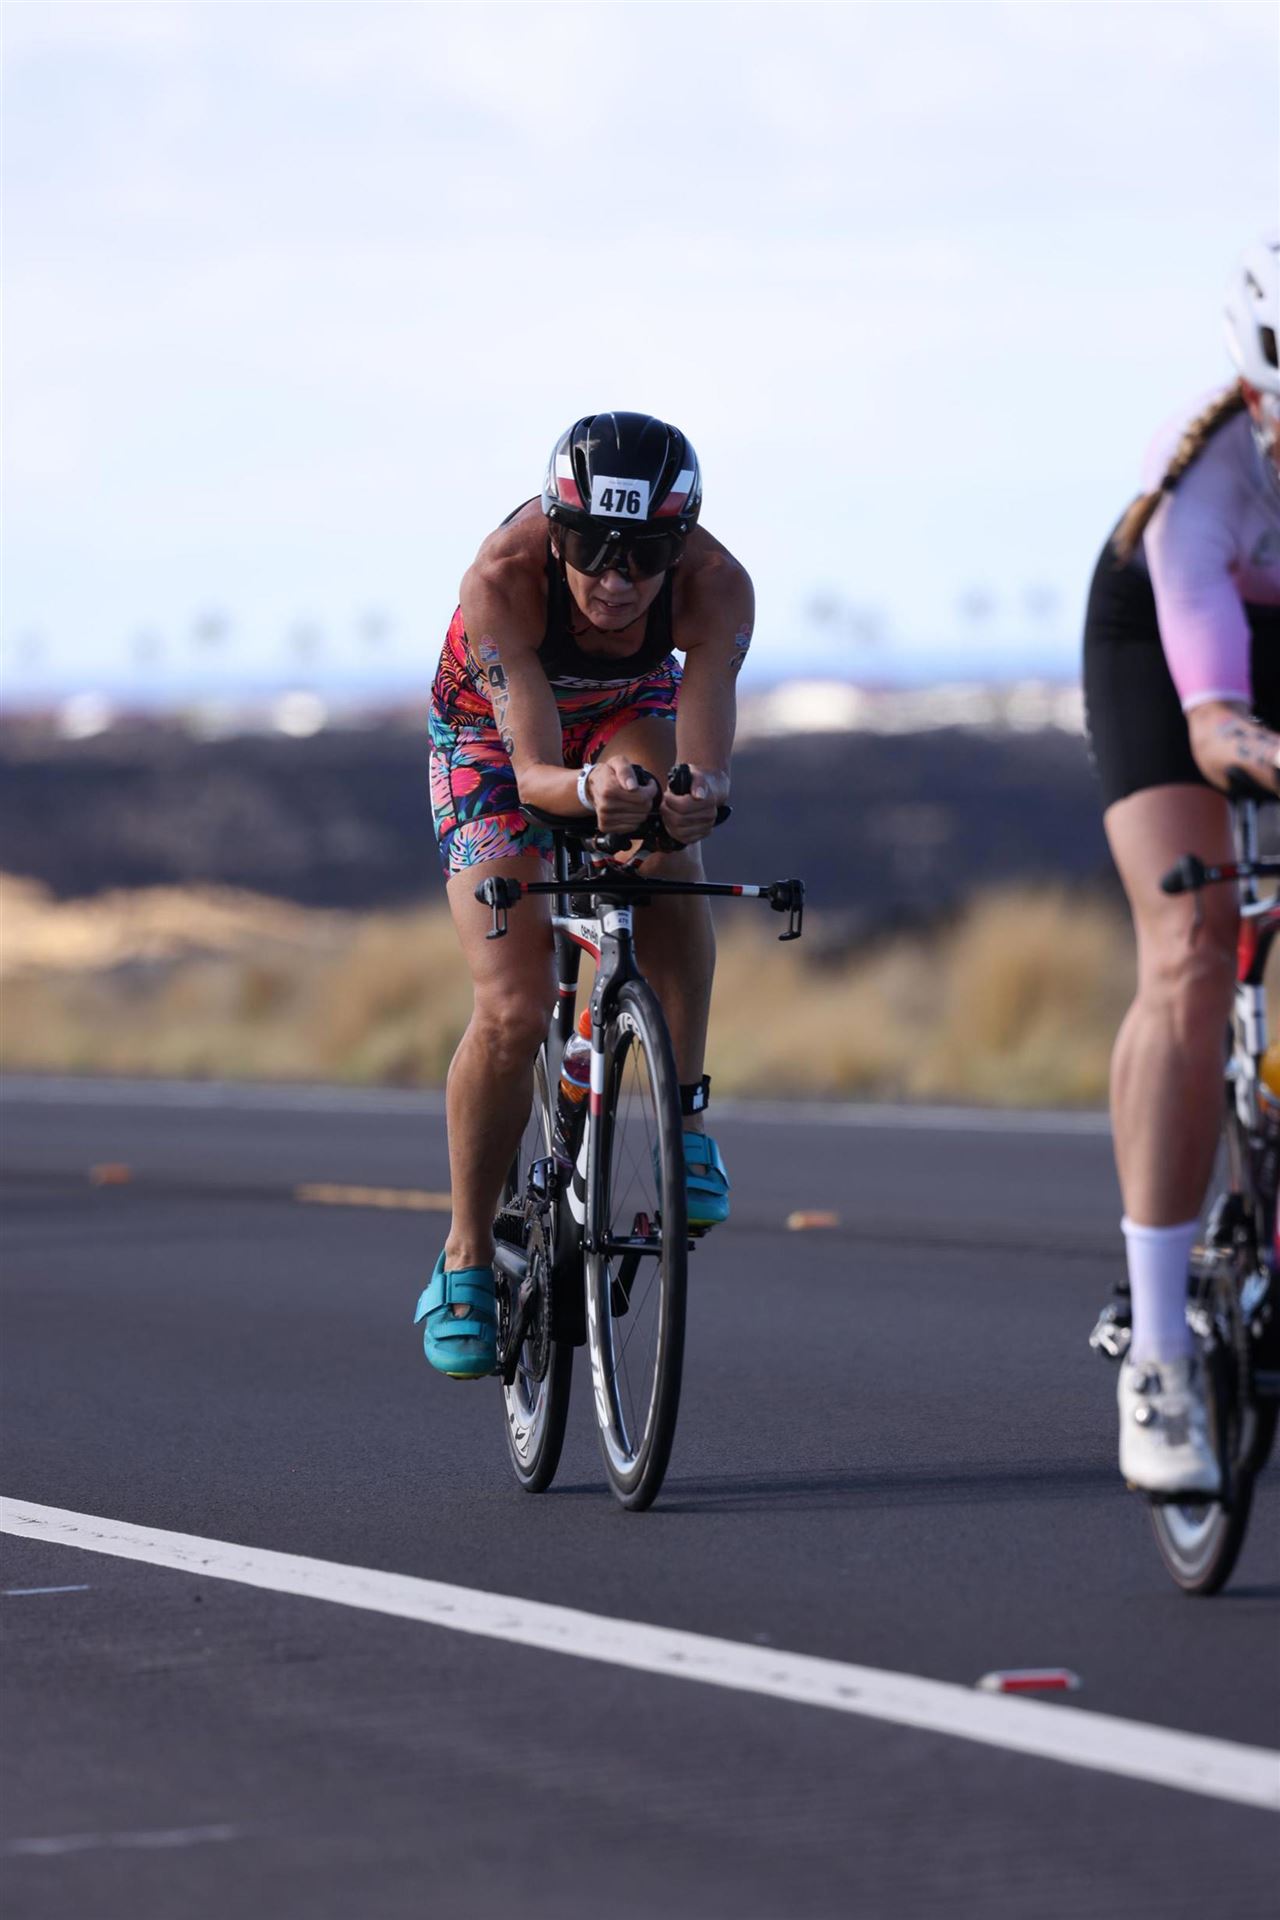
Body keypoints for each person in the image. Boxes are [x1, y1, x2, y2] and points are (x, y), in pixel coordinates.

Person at [417, 412, 754, 1378]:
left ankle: (685, 1121)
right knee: (513, 1007)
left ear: (680, 546)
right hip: (489, 742)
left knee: (671, 848)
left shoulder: (717, 586)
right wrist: (588, 789)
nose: (616, 578)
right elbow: (530, 775)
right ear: (555, 533)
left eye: (644, 554)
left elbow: (706, 764)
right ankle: (465, 1254)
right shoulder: (501, 578)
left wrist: (693, 798)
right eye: (593, 548)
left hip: (623, 715)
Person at [1083, 236, 1280, 1495]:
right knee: (1193, 946)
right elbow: (1215, 724)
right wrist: (1242, 737)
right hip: (1170, 658)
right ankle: (1156, 1352)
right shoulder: (1201, 472)